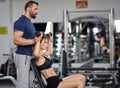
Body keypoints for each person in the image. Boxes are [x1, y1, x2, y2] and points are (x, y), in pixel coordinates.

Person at [13, 1, 39, 88]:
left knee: (31, 83)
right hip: (23, 55)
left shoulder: (29, 23)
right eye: (35, 9)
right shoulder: (21, 22)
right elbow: (16, 40)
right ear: (28, 9)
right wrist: (34, 41)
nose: (37, 11)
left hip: (29, 56)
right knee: (23, 84)